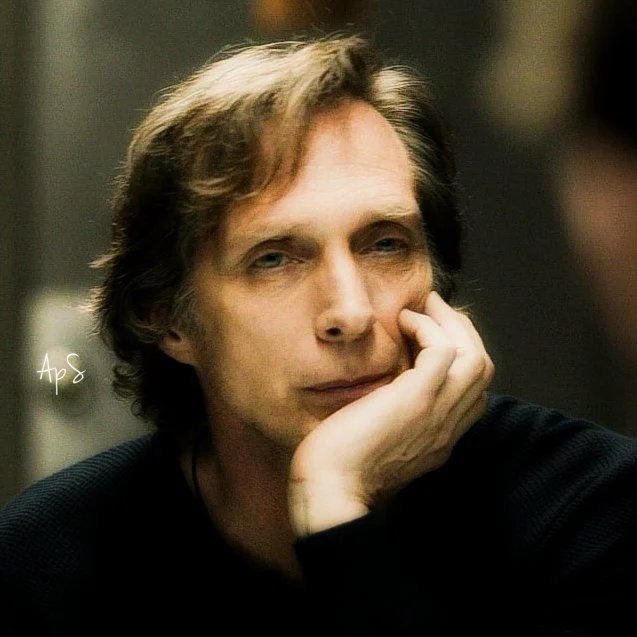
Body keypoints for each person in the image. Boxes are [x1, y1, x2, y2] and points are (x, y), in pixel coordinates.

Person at [1, 34, 635, 636]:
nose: (350, 313)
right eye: (275, 259)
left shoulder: (592, 508)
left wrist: (335, 501)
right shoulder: (51, 563)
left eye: (385, 245)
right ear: (169, 317)